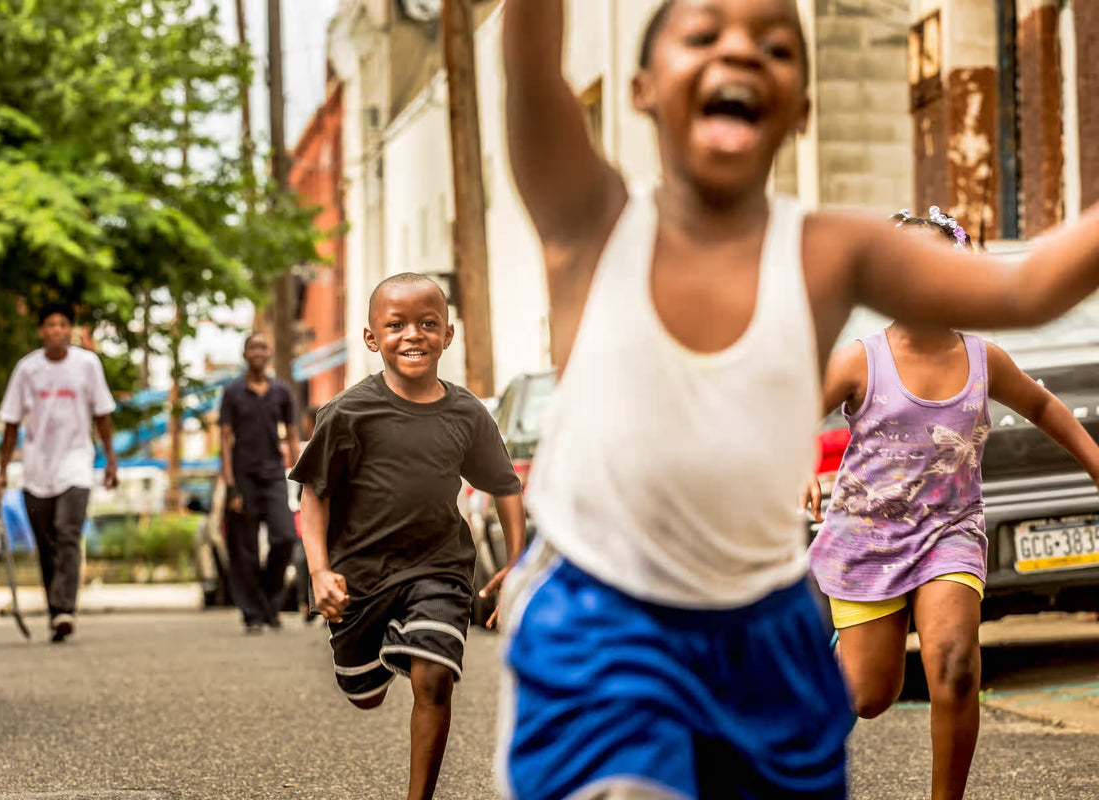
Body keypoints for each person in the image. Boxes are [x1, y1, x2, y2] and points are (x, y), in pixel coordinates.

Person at [499, 0, 1099, 797]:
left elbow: (1028, 287)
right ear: (641, 89)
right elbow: (530, 67)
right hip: (606, 613)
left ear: (804, 109)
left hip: (765, 625)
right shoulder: (589, 220)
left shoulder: (828, 252)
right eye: (703, 35)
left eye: (777, 46)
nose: (741, 51)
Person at [804, 208, 1099, 800]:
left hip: (950, 532)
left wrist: (1095, 460)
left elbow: (1042, 405)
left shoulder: (984, 359)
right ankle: (799, 703)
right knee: (870, 696)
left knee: (956, 664)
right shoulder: (860, 359)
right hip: (866, 539)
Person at [290, 273, 526, 800]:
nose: (413, 335)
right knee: (364, 695)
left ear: (448, 335)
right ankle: (388, 639)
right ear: (372, 338)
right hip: (360, 576)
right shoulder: (346, 413)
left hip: (440, 565)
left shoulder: (467, 413)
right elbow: (314, 494)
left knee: (433, 677)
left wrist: (517, 561)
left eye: (428, 323)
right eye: (396, 325)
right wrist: (320, 571)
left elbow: (506, 486)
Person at [0, 302, 118, 644]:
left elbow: (103, 414)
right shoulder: (27, 369)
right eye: (50, 324)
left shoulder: (88, 365)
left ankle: (65, 609)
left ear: (71, 330)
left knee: (67, 533)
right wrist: (2, 471)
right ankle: (55, 612)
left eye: (63, 324)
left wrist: (111, 460)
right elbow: (11, 422)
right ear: (41, 331)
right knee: (46, 542)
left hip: (76, 464)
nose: (57, 330)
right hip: (36, 469)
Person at [218, 332, 302, 634]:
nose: (258, 351)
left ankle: (268, 601)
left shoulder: (281, 391)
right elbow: (225, 440)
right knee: (246, 550)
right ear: (245, 354)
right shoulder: (233, 393)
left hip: (273, 476)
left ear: (269, 353)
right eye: (252, 347)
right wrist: (230, 485)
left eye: (262, 347)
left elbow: (292, 435)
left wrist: (301, 476)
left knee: (285, 537)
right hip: (242, 478)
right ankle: (254, 614)